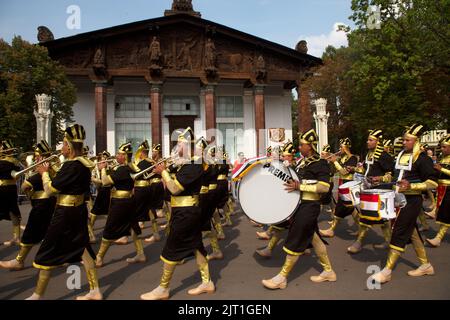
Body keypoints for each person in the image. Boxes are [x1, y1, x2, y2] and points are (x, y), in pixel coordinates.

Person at [27, 124, 102, 300]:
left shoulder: (71, 166)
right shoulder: (84, 164)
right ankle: (95, 290)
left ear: (68, 144)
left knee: (47, 251)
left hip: (65, 213)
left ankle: (37, 295)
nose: (62, 147)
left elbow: (50, 189)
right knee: (83, 248)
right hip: (79, 211)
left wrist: (44, 173)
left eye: (63, 143)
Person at [140, 127, 214, 300]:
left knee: (171, 250)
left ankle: (163, 288)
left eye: (180, 144)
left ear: (188, 145)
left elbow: (174, 188)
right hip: (185, 211)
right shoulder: (188, 164)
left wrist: (163, 172)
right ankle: (207, 282)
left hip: (186, 213)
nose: (177, 148)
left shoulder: (194, 165)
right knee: (197, 246)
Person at [262, 129, 336, 290]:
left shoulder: (320, 163)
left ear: (310, 146)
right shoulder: (304, 162)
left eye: (302, 145)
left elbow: (324, 187)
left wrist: (299, 186)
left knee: (295, 240)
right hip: (301, 205)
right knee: (315, 238)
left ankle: (282, 277)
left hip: (310, 207)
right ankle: (329, 271)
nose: (299, 147)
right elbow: (294, 181)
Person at [371, 124, 437, 284]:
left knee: (399, 231)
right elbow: (396, 177)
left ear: (416, 141)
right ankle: (426, 265)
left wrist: (412, 186)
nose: (404, 142)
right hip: (398, 198)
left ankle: (387, 271)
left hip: (412, 200)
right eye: (404, 139)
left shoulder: (423, 159)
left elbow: (433, 183)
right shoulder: (400, 155)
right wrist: (381, 179)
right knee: (412, 231)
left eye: (408, 140)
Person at [0, 141, 57, 270]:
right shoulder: (55, 169)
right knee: (50, 230)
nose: (36, 158)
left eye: (37, 156)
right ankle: (58, 256)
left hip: (41, 205)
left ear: (42, 157)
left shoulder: (41, 172)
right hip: (50, 203)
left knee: (31, 232)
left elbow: (26, 186)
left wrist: (29, 192)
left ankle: (19, 260)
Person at [95, 142, 146, 267]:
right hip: (129, 201)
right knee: (134, 227)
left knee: (109, 229)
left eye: (120, 154)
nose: (117, 156)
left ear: (125, 156)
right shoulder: (130, 168)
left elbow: (105, 182)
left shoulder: (122, 169)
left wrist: (102, 170)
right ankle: (140, 254)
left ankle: (99, 257)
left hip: (120, 203)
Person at [347, 129, 395, 253]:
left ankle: (359, 242)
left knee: (368, 218)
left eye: (370, 140)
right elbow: (366, 171)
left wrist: (380, 178)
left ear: (378, 142)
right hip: (369, 189)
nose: (367, 142)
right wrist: (356, 169)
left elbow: (391, 175)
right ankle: (388, 241)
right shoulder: (368, 154)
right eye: (368, 139)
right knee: (378, 218)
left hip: (380, 191)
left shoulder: (385, 156)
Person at [256, 141, 296, 258]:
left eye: (284, 156)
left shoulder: (294, 167)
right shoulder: (285, 166)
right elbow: (277, 175)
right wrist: (266, 165)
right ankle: (269, 248)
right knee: (280, 226)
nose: (282, 158)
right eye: (282, 156)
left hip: (294, 202)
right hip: (286, 201)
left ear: (290, 156)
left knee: (305, 229)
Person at [320, 138, 359, 238]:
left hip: (349, 184)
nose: (339, 149)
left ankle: (331, 230)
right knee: (351, 209)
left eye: (341, 147)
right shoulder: (343, 158)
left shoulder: (353, 158)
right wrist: (328, 162)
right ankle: (361, 227)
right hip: (342, 183)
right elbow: (336, 171)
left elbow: (343, 172)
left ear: (346, 147)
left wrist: (334, 162)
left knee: (340, 207)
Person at [426, 134, 450, 247]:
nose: (442, 149)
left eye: (445, 147)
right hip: (442, 188)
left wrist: (442, 169)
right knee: (445, 213)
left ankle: (438, 238)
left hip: (449, 189)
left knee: (446, 215)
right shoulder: (442, 158)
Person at [0, 140, 22, 246]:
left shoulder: (2, 162)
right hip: (13, 188)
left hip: (2, 188)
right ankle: (17, 237)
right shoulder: (15, 161)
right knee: (14, 211)